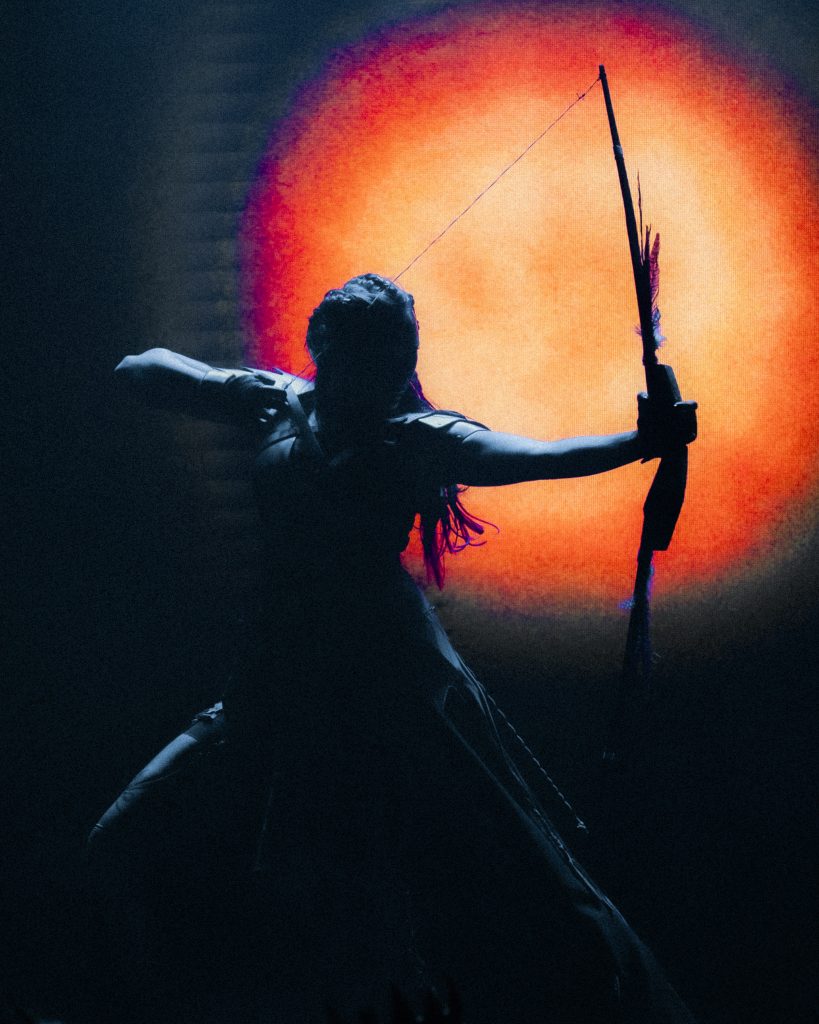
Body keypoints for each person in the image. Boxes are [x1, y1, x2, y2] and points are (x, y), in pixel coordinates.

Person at [92, 273, 698, 1023]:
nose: (378, 374)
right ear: (322, 347)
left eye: (388, 359)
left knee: (483, 881)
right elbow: (139, 368)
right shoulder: (280, 404)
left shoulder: (415, 438)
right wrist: (241, 389)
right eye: (359, 355)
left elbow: (534, 456)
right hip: (279, 674)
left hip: (389, 682)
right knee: (128, 835)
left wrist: (642, 441)